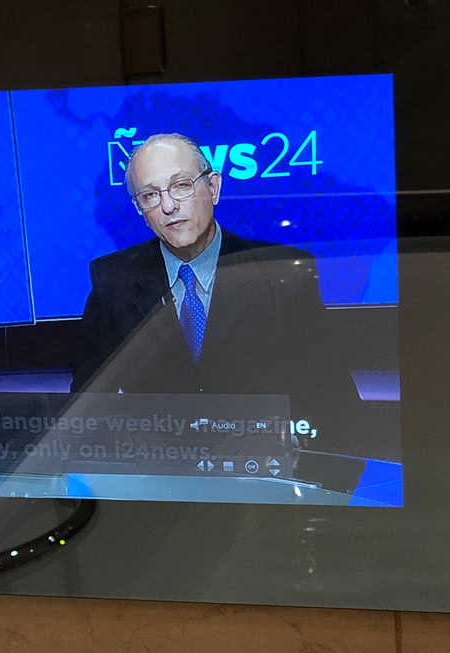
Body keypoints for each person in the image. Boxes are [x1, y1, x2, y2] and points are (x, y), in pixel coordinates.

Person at [73, 133, 362, 453]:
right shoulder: (113, 280)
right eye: (150, 195)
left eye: (181, 185)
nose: (168, 206)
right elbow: (85, 410)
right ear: (139, 208)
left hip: (261, 480)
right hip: (158, 479)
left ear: (213, 188)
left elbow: (332, 398)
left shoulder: (282, 273)